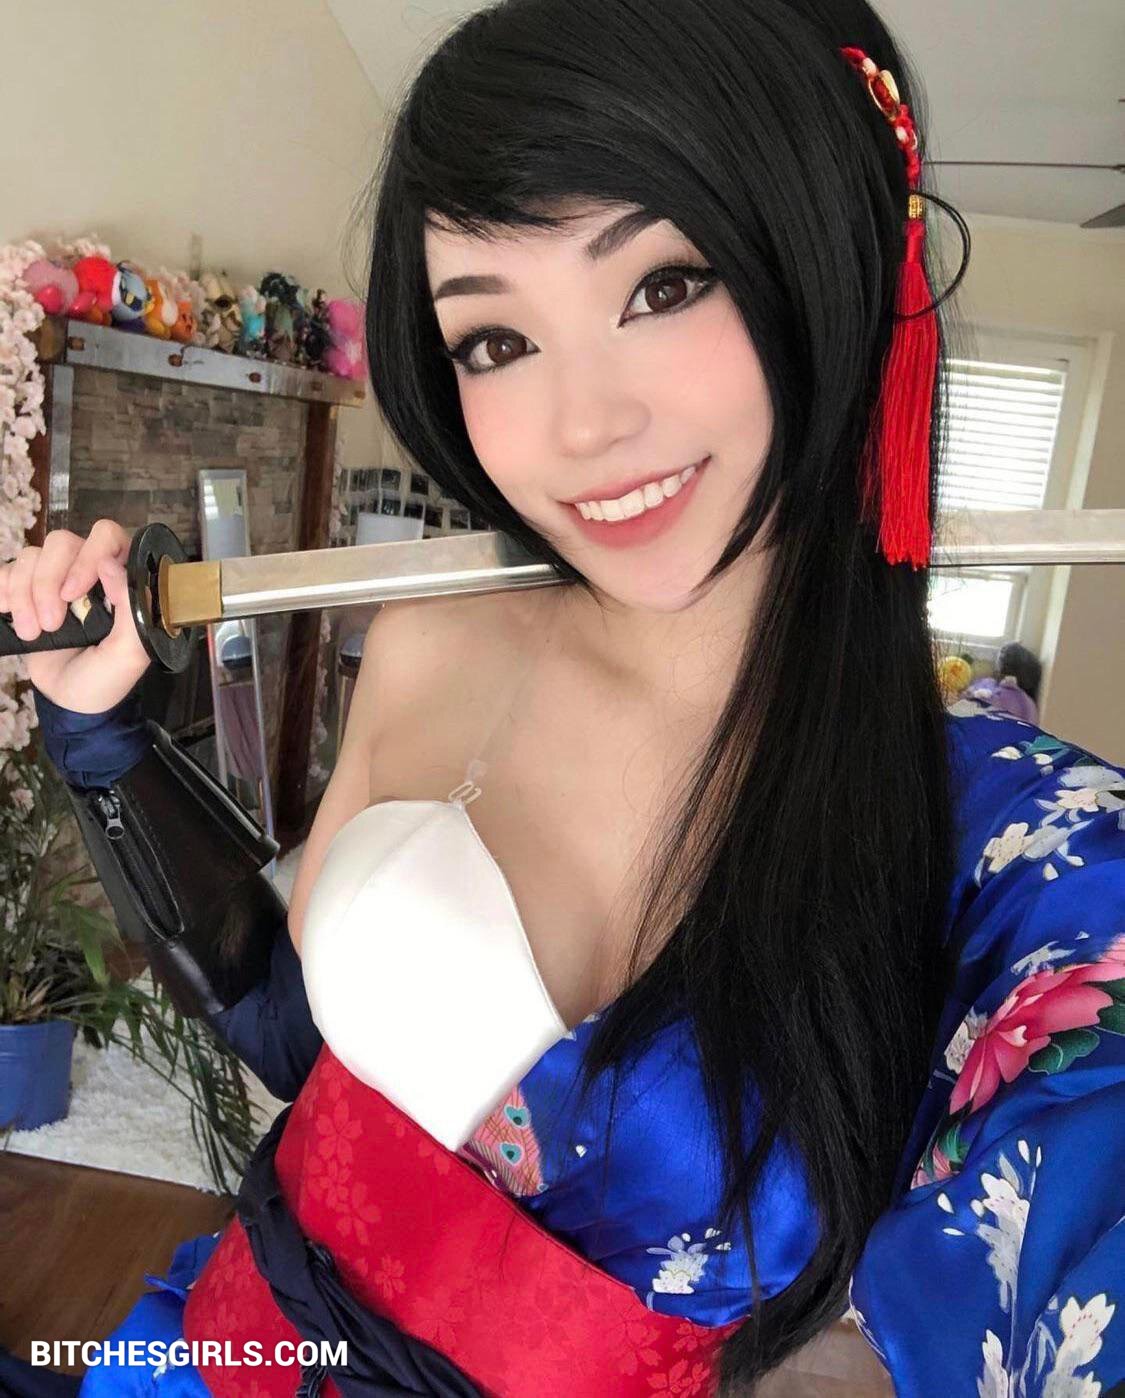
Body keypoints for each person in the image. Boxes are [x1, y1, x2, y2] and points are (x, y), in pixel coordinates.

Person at [1, 0, 1122, 1393]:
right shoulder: (434, 642)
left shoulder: (1017, 847)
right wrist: (102, 733)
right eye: (494, 341)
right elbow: (297, 1031)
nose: (582, 427)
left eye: (662, 286)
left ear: (823, 267)